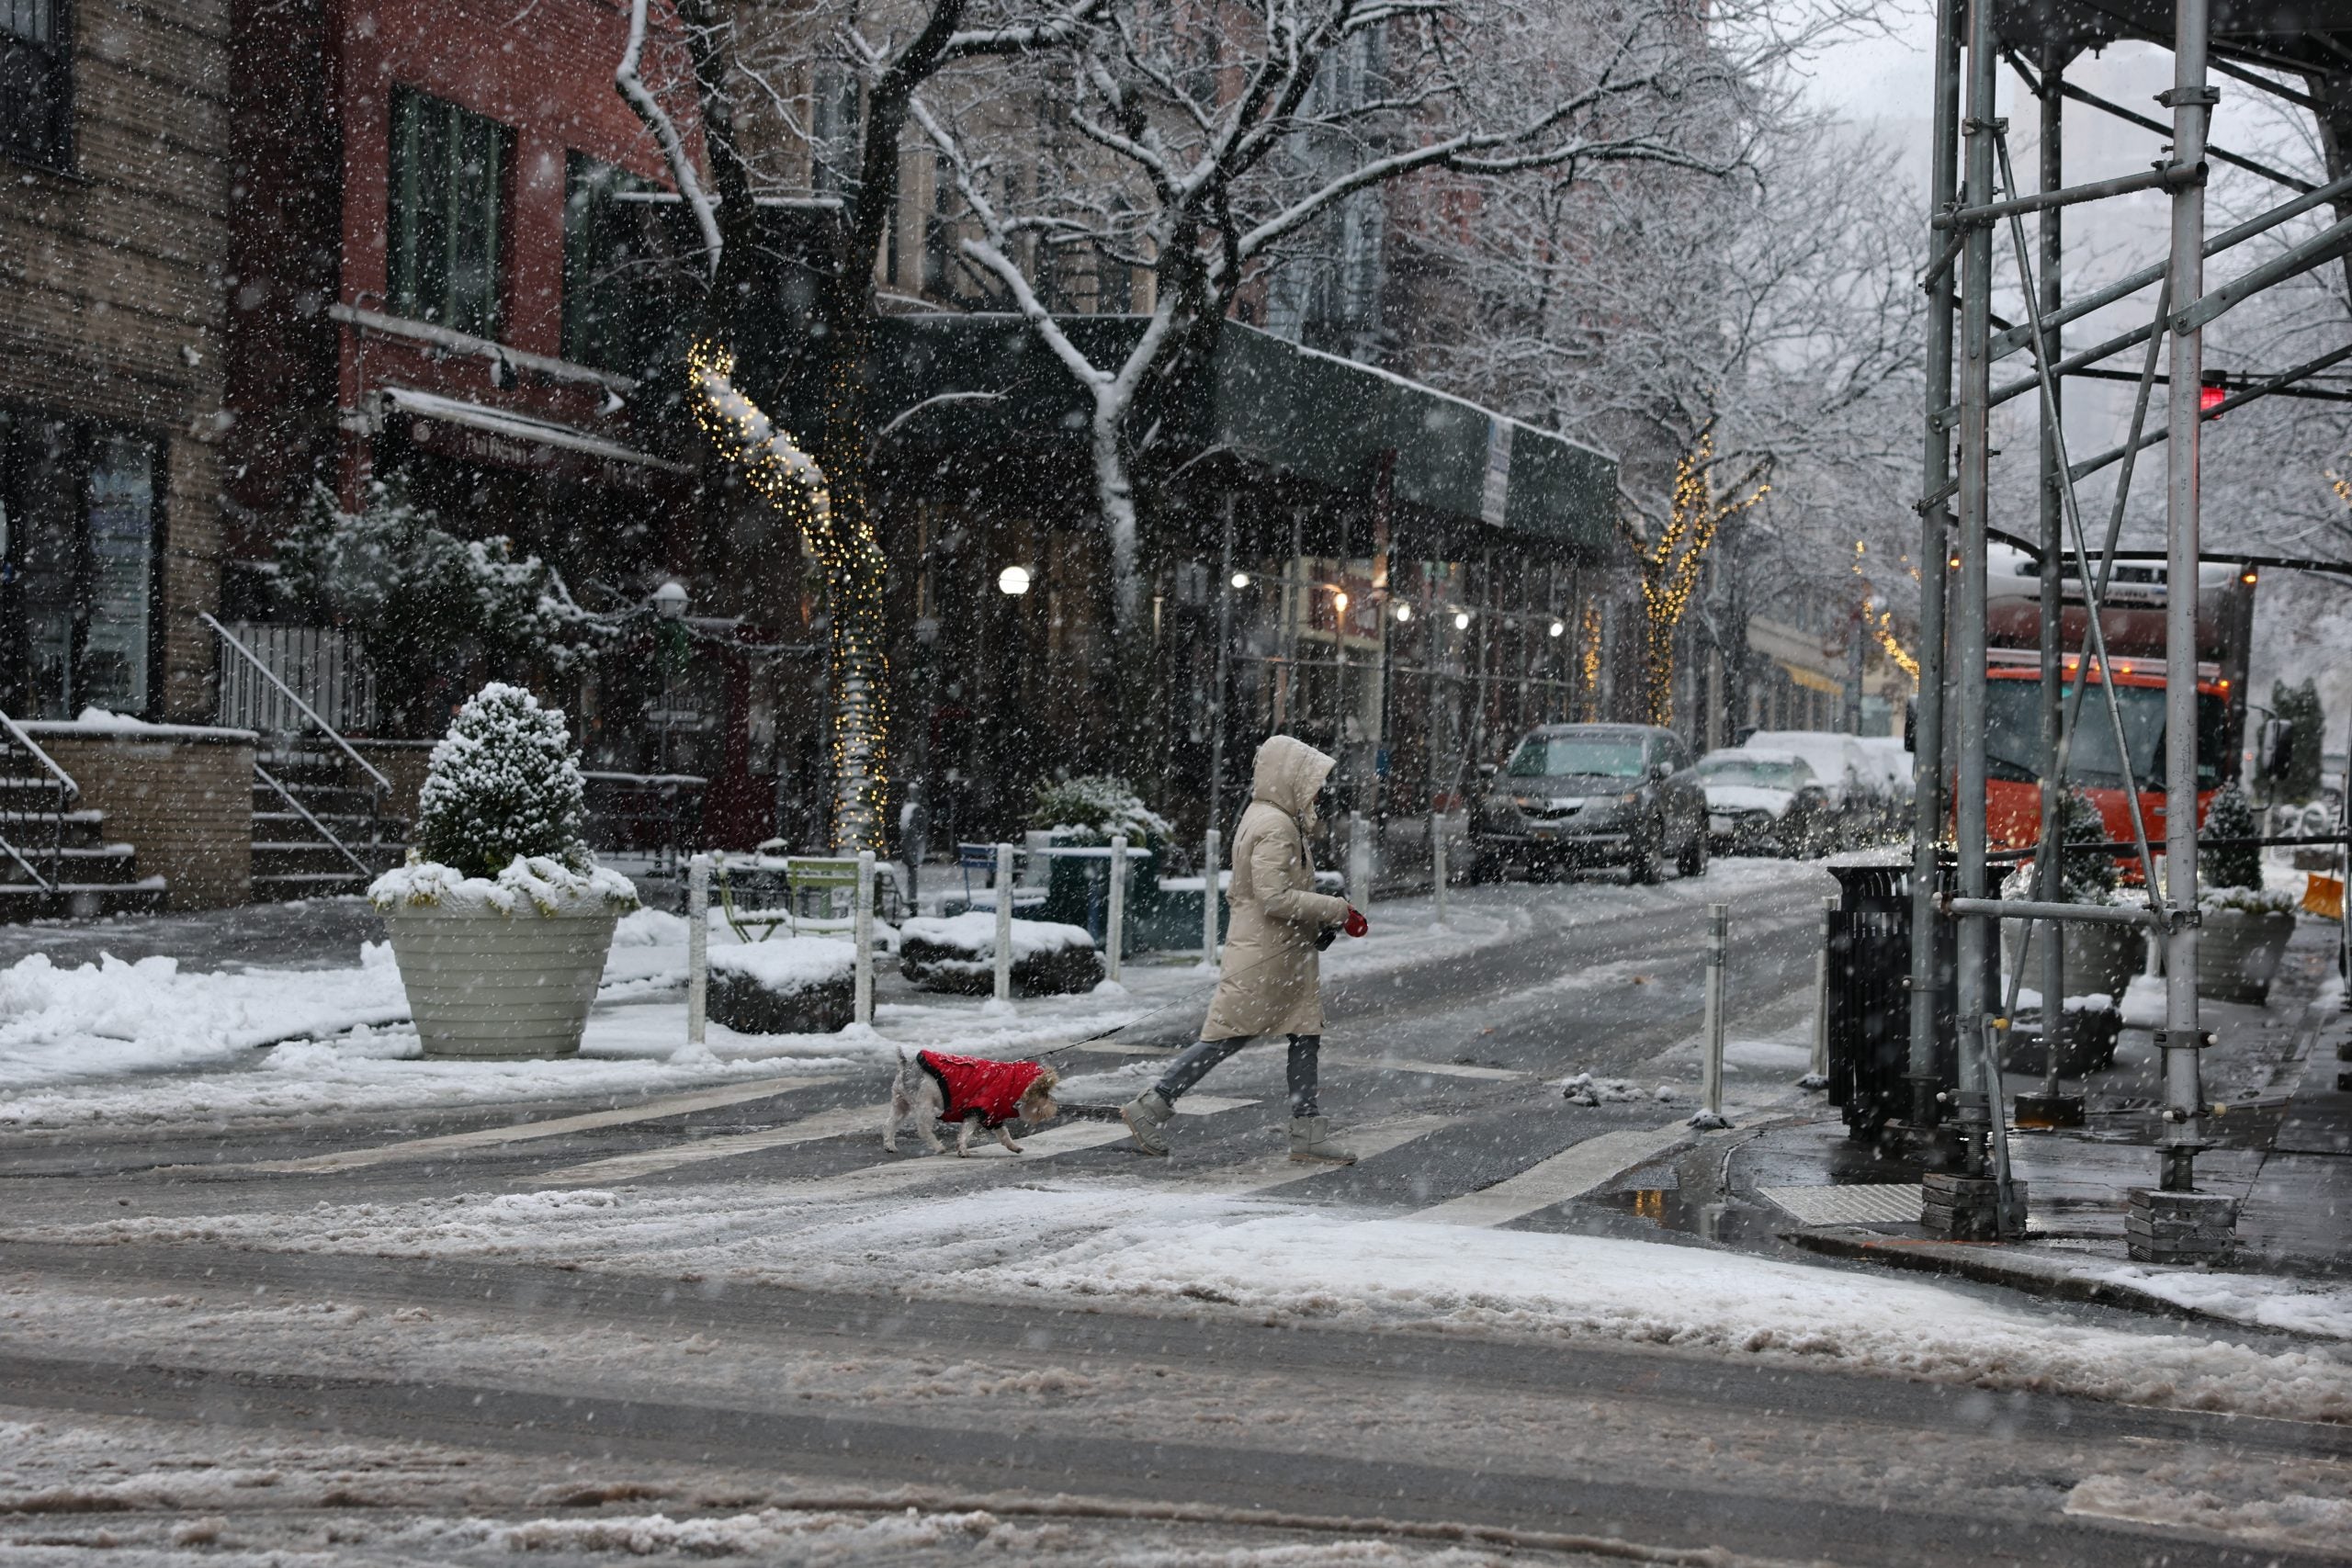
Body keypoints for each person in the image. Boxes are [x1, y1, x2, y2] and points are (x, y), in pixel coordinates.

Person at [1121, 734, 1365, 1163]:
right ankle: (1153, 1105)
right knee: (1228, 1036)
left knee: (1302, 1034)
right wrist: (1335, 909)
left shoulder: (1266, 816)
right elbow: (1274, 897)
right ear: (1290, 778)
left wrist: (1317, 923)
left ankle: (1306, 1130)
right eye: (1311, 782)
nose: (1317, 792)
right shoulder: (1276, 826)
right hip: (1267, 956)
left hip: (1278, 951)